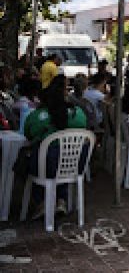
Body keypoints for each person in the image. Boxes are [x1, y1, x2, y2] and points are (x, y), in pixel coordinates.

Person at [23, 74, 88, 219]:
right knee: (63, 154)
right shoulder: (78, 114)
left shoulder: (37, 117)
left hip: (45, 168)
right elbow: (85, 126)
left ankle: (41, 202)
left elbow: (28, 134)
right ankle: (61, 200)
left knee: (40, 156)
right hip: (74, 166)